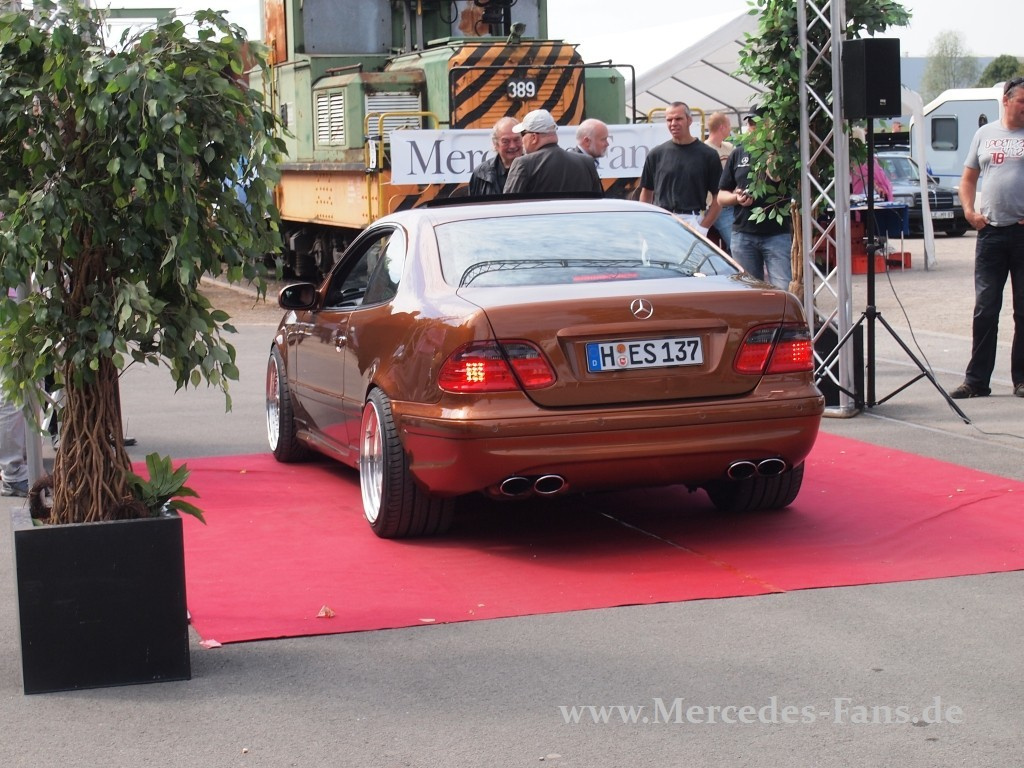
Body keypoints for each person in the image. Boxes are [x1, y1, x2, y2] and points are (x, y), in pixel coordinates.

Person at [948, 77, 1024, 400]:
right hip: (990, 233)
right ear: (1006, 100)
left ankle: (1021, 379)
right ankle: (977, 381)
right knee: (986, 309)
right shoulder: (984, 135)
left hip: (1021, 233)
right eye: (1022, 101)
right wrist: (969, 211)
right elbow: (968, 180)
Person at [717, 109, 793, 290]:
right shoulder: (738, 153)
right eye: (750, 123)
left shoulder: (782, 152)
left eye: (758, 123)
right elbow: (721, 196)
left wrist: (771, 154)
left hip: (776, 234)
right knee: (748, 290)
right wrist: (736, 198)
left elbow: (777, 178)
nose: (752, 127)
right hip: (743, 233)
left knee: (782, 288)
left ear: (770, 125)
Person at [638, 101, 721, 236]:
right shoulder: (656, 154)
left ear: (689, 120)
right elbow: (646, 192)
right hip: (661, 220)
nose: (673, 123)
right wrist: (645, 222)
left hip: (692, 221)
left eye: (678, 119)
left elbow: (719, 196)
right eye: (669, 120)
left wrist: (703, 227)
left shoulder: (708, 155)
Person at [503, 109, 602, 196]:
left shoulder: (523, 164)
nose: (522, 139)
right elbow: (598, 201)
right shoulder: (587, 162)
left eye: (522, 134)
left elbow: (508, 203)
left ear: (534, 137)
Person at [704, 111, 735, 251]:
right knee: (737, 245)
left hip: (731, 203)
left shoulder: (729, 147)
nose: (730, 129)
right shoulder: (704, 150)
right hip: (716, 206)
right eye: (729, 125)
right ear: (722, 127)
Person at [468, 116, 523, 196]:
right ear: (495, 144)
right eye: (505, 141)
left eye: (516, 140)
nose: (512, 146)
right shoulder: (481, 174)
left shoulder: (534, 170)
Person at [849, 126, 894, 202]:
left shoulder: (849, 161)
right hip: (871, 199)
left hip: (858, 199)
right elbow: (880, 181)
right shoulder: (870, 160)